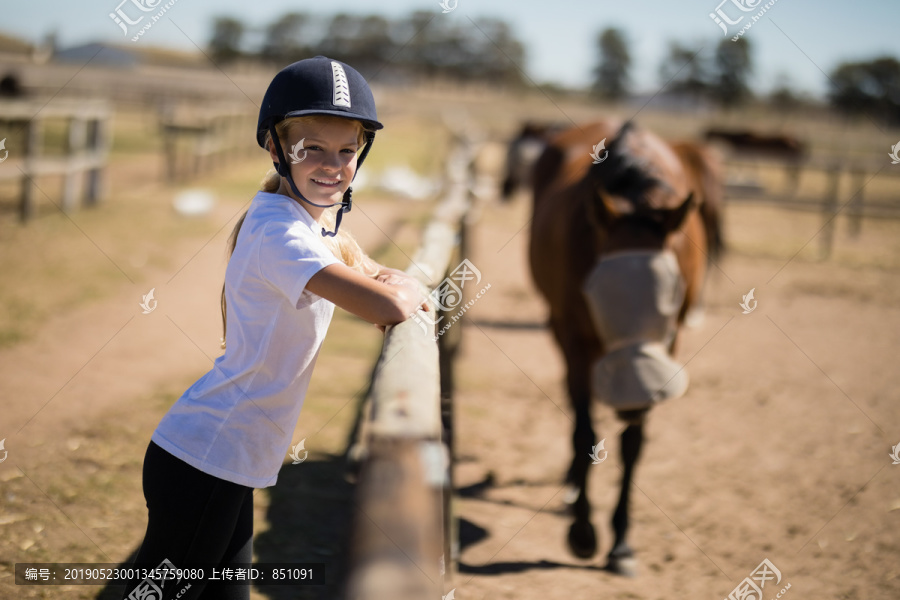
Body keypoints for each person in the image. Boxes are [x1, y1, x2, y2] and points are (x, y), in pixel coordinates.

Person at [121, 56, 427, 600]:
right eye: (313, 149)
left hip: (232, 459)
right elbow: (388, 305)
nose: (333, 165)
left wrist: (391, 281)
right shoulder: (280, 235)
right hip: (206, 458)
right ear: (276, 149)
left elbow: (368, 270)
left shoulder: (303, 224)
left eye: (347, 150)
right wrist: (411, 289)